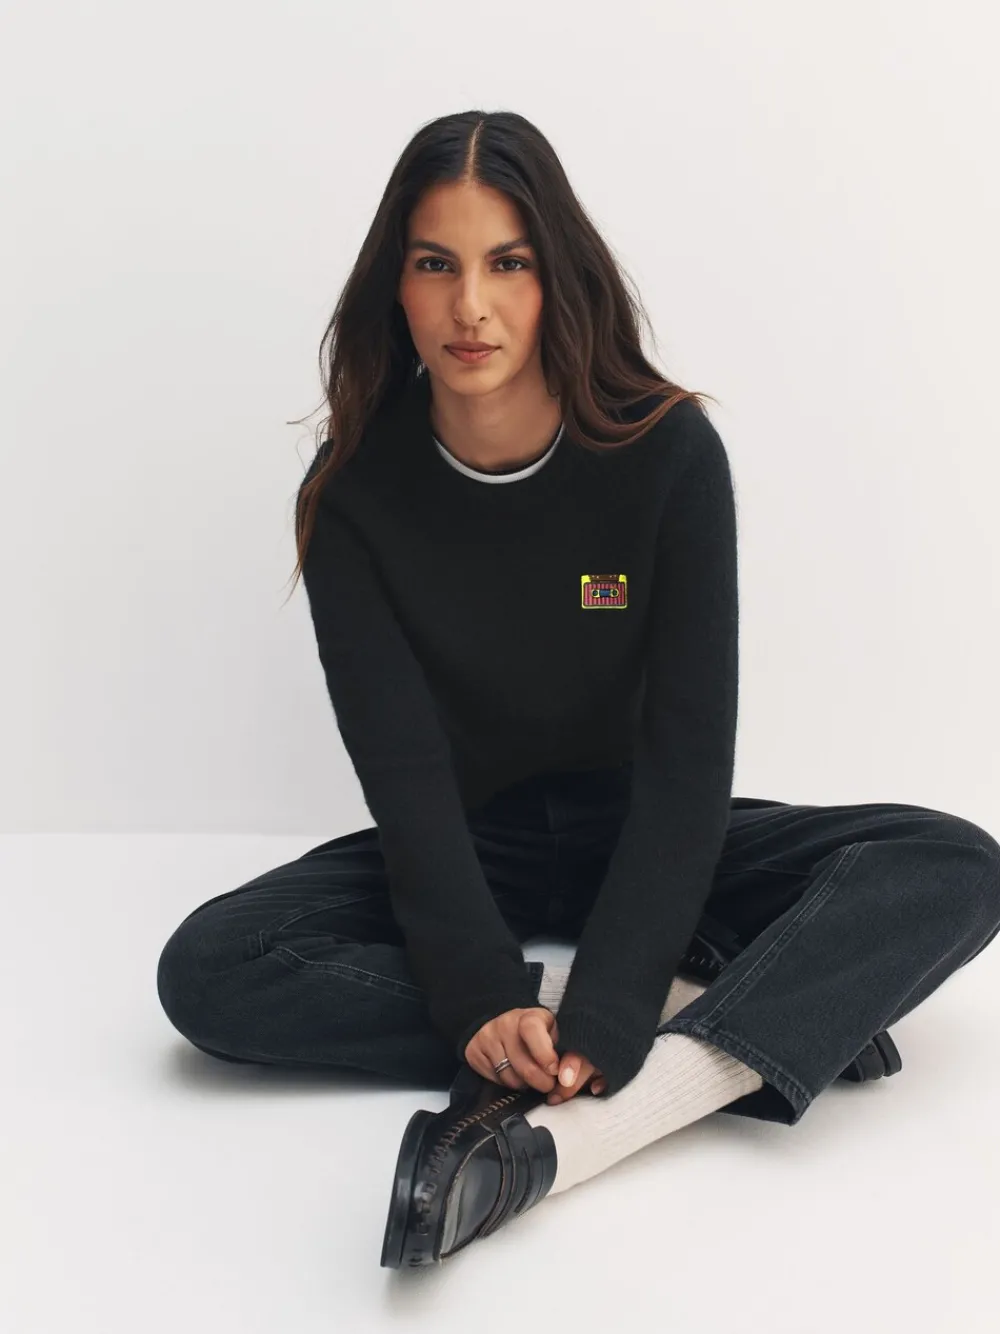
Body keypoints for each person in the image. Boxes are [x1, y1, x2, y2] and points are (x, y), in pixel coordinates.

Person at [155, 108, 1000, 1269]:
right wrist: (484, 994)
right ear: (393, 284)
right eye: (435, 264)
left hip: (647, 831)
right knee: (210, 970)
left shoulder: (665, 453)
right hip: (472, 841)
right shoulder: (352, 491)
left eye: (508, 263)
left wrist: (612, 998)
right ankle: (748, 1012)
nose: (471, 306)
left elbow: (688, 759)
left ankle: (577, 1129)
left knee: (951, 865)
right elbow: (403, 775)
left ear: (557, 275)